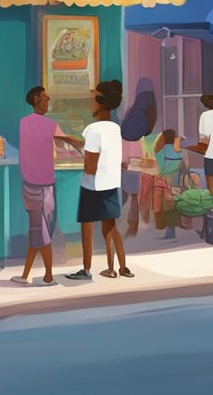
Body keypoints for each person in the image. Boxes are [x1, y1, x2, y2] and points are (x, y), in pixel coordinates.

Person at [67, 80, 132, 281]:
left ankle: (86, 270)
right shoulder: (114, 128)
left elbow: (90, 168)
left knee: (87, 226)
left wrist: (79, 151)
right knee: (110, 226)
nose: (90, 103)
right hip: (111, 184)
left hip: (91, 186)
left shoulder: (93, 130)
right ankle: (120, 267)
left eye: (92, 98)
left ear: (100, 101)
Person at [14, 86, 77, 285]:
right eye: (45, 99)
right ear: (36, 99)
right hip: (47, 185)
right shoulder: (51, 125)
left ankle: (48, 276)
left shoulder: (24, 123)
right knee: (40, 231)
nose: (48, 101)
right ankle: (25, 275)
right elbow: (65, 147)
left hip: (33, 185)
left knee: (38, 231)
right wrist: (75, 143)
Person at [118, 78, 157, 237]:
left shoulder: (132, 112)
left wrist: (123, 159)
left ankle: (118, 224)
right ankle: (132, 226)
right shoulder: (151, 113)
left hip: (127, 157)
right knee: (134, 196)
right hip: (141, 159)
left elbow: (126, 137)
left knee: (123, 194)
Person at [154, 129, 186, 240]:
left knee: (166, 204)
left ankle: (170, 230)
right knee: (174, 202)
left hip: (166, 179)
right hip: (177, 178)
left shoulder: (160, 151)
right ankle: (173, 227)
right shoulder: (178, 150)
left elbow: (161, 166)